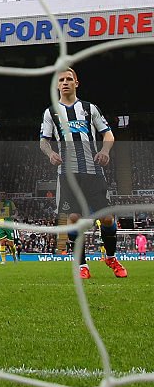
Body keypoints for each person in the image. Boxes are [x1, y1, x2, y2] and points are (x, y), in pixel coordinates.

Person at [39, 68, 124, 279]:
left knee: (106, 218)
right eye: (61, 80)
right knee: (74, 218)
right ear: (57, 86)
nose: (65, 82)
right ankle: (82, 265)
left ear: (77, 82)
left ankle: (111, 257)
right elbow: (43, 141)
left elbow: (108, 134)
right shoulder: (51, 112)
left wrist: (104, 151)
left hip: (93, 171)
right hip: (67, 173)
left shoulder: (89, 109)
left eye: (69, 79)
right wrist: (50, 154)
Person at [0, 192, 18, 264]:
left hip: (8, 224)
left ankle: (14, 256)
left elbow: (16, 211)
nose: (2, 195)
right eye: (1, 194)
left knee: (10, 243)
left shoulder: (10, 203)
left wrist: (15, 215)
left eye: (3, 194)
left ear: (5, 196)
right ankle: (3, 260)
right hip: (0, 225)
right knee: (2, 243)